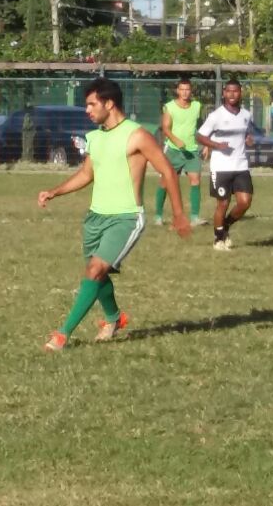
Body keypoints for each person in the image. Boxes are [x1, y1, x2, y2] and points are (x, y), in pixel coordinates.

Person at [39, 78, 191, 352]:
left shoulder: (137, 135)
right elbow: (87, 174)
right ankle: (114, 318)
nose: (87, 110)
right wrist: (54, 191)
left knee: (95, 270)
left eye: (91, 104)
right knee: (97, 275)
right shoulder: (95, 137)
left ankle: (62, 335)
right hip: (95, 218)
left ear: (109, 104)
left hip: (126, 217)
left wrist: (179, 214)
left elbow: (167, 170)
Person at [196, 79, 255, 251]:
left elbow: (247, 134)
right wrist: (215, 145)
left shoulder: (246, 115)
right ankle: (218, 239)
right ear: (223, 93)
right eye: (228, 91)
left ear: (240, 93)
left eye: (235, 91)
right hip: (221, 167)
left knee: (245, 202)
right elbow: (199, 136)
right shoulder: (216, 116)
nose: (232, 94)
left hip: (241, 165)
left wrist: (249, 139)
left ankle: (225, 226)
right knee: (223, 203)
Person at [154, 79, 205, 226]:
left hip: (192, 151)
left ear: (191, 91)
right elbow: (165, 128)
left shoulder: (196, 106)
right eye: (182, 89)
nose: (184, 92)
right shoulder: (169, 107)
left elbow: (200, 126)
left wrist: (206, 144)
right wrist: (176, 140)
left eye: (187, 89)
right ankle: (158, 216)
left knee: (195, 181)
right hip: (173, 151)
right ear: (177, 91)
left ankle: (195, 217)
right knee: (165, 182)